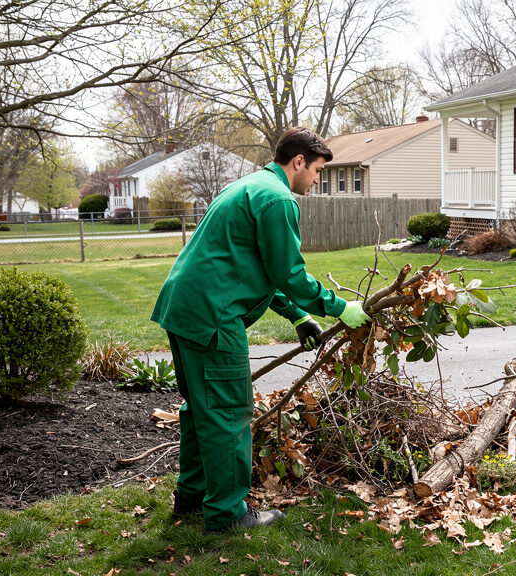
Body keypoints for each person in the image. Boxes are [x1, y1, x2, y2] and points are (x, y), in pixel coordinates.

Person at [151, 127, 372, 531]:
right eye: (319, 170)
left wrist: (297, 316)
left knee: (201, 410)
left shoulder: (250, 187)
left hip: (183, 308)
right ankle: (226, 514)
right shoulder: (277, 199)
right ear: (299, 162)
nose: (318, 180)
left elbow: (253, 266)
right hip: (212, 316)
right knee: (229, 413)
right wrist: (338, 307)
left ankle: (192, 498)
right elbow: (289, 272)